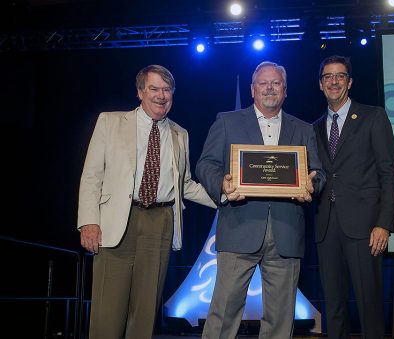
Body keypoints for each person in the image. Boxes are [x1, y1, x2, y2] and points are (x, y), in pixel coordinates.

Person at [77, 64, 216, 339]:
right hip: (117, 221)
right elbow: (92, 175)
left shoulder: (180, 134)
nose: (161, 96)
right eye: (154, 89)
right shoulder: (110, 121)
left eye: (167, 90)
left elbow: (185, 185)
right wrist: (89, 222)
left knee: (145, 312)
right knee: (107, 312)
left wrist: (227, 197)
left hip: (160, 223)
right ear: (140, 92)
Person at [196, 61, 326, 339]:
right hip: (238, 227)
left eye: (276, 83)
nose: (270, 88)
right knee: (224, 312)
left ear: (285, 90)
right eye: (263, 83)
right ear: (253, 89)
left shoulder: (303, 129)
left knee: (280, 319)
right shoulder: (227, 121)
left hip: (286, 233)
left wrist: (311, 183)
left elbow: (319, 173)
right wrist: (222, 183)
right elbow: (205, 164)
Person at [313, 55, 394, 339]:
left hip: (365, 227)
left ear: (349, 82)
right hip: (326, 226)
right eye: (328, 77)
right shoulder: (312, 128)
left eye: (340, 76)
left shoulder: (373, 116)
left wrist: (383, 223)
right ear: (321, 85)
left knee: (369, 303)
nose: (334, 81)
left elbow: (389, 173)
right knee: (333, 305)